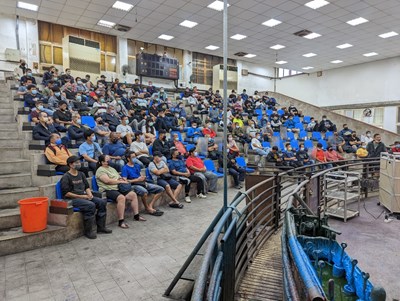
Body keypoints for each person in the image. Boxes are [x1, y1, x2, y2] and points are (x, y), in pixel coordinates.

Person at [61, 155, 112, 239]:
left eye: (79, 162)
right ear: (70, 165)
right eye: (76, 163)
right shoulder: (66, 177)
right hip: (73, 199)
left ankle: (101, 227)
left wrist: (89, 194)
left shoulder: (81, 174)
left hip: (83, 196)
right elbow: (66, 193)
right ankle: (88, 231)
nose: (79, 164)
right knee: (90, 205)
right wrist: (82, 197)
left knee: (102, 202)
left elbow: (87, 186)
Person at [96, 155, 145, 229]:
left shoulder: (111, 168)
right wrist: (119, 181)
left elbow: (118, 177)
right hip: (108, 189)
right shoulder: (100, 170)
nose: (109, 161)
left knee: (133, 194)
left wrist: (122, 180)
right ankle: (121, 221)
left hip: (118, 187)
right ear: (102, 162)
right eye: (107, 160)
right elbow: (107, 181)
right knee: (121, 198)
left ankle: (136, 216)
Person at [121, 151, 164, 216]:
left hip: (141, 182)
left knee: (161, 189)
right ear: (128, 159)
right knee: (144, 192)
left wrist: (142, 178)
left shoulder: (137, 166)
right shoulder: (125, 168)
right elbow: (125, 181)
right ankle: (147, 208)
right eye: (133, 157)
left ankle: (150, 205)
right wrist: (137, 180)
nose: (134, 158)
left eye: (135, 157)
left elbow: (140, 175)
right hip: (133, 185)